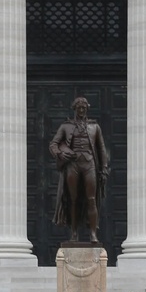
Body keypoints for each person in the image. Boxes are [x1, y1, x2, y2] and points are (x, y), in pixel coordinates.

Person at [50, 95, 110, 244]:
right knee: (73, 199)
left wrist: (103, 169)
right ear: (74, 109)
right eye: (79, 107)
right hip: (73, 164)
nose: (81, 110)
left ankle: (93, 233)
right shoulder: (66, 126)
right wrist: (60, 153)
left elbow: (101, 149)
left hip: (89, 164)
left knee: (91, 199)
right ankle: (74, 234)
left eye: (84, 107)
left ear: (87, 108)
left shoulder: (95, 127)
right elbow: (53, 144)